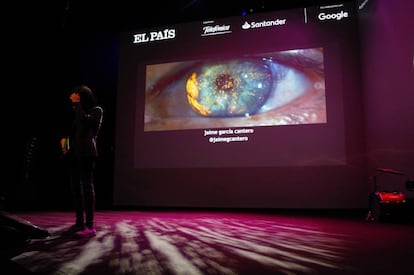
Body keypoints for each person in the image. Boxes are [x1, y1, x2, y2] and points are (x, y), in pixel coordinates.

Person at [60, 85, 103, 237]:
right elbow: (69, 133)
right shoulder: (77, 113)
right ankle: (79, 223)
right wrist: (65, 146)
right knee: (75, 189)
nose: (74, 101)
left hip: (87, 152)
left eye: (77, 97)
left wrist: (78, 105)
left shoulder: (96, 110)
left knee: (87, 188)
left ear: (83, 97)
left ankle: (89, 226)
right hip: (74, 154)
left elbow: (86, 123)